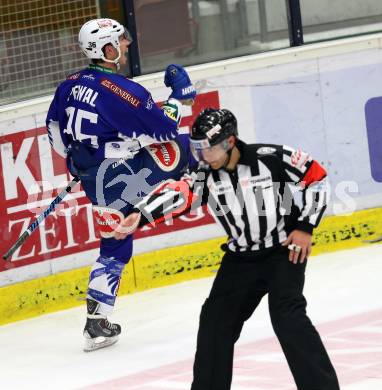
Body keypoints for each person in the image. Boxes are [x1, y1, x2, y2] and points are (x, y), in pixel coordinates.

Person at [119, 108, 340, 390]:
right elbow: (179, 195)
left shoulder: (270, 158)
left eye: (209, 149)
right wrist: (140, 215)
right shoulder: (204, 176)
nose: (204, 157)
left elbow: (316, 177)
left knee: (288, 318)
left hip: (283, 250)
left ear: (230, 142)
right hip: (240, 259)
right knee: (214, 323)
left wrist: (306, 226)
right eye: (198, 149)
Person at [45, 18, 197, 352]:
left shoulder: (68, 84)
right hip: (119, 173)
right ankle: (187, 198)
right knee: (187, 150)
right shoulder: (125, 91)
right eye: (121, 41)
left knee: (115, 240)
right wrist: (179, 97)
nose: (127, 45)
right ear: (108, 49)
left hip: (93, 178)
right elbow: (163, 131)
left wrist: (81, 160)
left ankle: (97, 324)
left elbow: (55, 132)